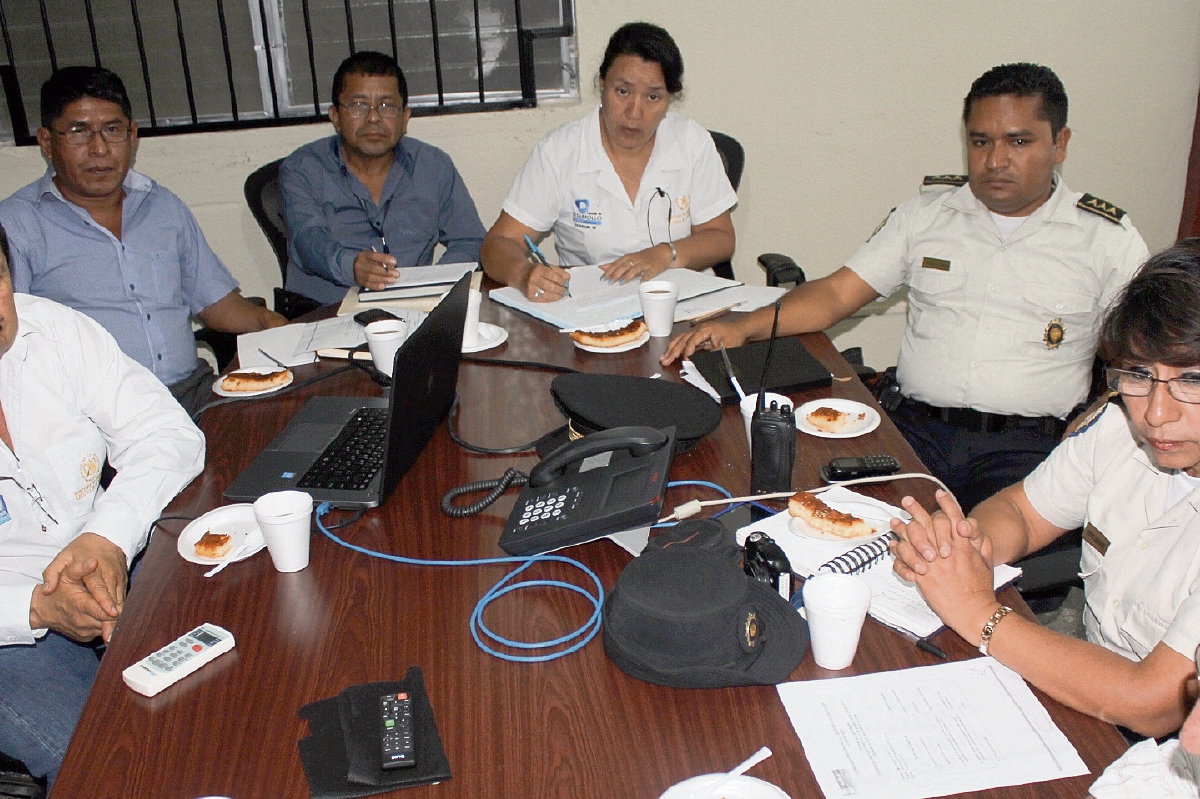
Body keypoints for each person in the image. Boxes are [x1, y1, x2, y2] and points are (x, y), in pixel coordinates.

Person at [662, 63, 1148, 511]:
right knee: (809, 505)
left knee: (961, 552)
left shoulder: (1104, 239)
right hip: (916, 429)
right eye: (980, 142)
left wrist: (1100, 429)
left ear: (1059, 143)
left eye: (1018, 142)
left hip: (1026, 449)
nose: (996, 160)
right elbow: (835, 295)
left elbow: (1153, 356)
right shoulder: (927, 216)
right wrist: (743, 326)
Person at [889, 244, 1200, 761]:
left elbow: (1153, 702)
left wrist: (978, 614)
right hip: (1085, 678)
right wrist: (964, 549)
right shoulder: (1121, 429)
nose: (1156, 413)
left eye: (1191, 380)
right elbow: (1023, 513)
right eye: (1139, 374)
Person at [0, 221, 205, 787]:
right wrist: (36, 608)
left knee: (233, 684)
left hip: (104, 557)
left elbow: (169, 434)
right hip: (9, 622)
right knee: (113, 766)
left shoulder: (51, 330)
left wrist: (108, 538)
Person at [0, 66, 286, 414]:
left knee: (298, 432)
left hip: (191, 393)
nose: (99, 149)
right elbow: (10, 344)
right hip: (97, 417)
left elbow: (215, 303)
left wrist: (270, 323)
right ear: (46, 141)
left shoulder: (161, 204)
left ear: (132, 134)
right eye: (79, 132)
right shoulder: (16, 225)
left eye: (112, 130)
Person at [481, 21, 737, 301]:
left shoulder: (691, 141)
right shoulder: (559, 152)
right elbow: (497, 244)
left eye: (653, 97)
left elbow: (721, 237)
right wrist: (523, 274)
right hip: (591, 311)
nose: (634, 113)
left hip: (683, 304)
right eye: (623, 92)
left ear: (669, 99)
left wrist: (666, 254)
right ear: (602, 85)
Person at [280, 51, 486, 307]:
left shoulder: (433, 166)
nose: (373, 117)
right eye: (358, 105)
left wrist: (434, 283)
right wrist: (351, 266)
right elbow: (307, 242)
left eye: (387, 105)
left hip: (413, 311)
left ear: (405, 117)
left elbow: (470, 240)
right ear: (334, 116)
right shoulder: (303, 168)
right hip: (324, 313)